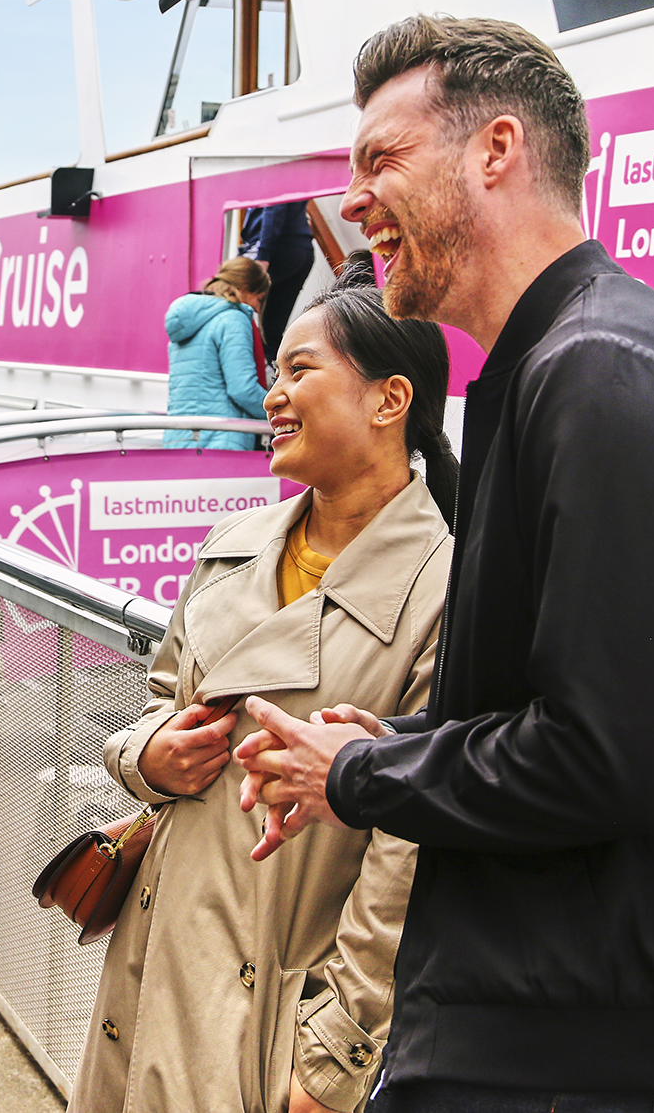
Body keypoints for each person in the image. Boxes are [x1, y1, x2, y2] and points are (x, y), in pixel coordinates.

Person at [236, 15, 654, 1108]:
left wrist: (357, 775)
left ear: (495, 150)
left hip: (575, 1060)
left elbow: (605, 760)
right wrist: (397, 741)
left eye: (379, 160)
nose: (353, 203)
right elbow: (599, 712)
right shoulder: (566, 365)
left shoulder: (596, 375)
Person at [70, 264, 457, 1113]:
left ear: (389, 401)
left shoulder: (449, 588)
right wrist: (151, 759)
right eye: (273, 371)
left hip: (275, 1005)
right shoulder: (233, 541)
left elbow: (410, 852)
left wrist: (335, 1051)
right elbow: (151, 706)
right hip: (147, 964)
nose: (272, 395)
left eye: (299, 369)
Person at [163, 255, 271, 449]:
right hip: (221, 441)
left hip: (179, 438)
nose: (257, 307)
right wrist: (276, 411)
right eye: (260, 298)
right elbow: (242, 389)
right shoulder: (233, 319)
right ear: (246, 289)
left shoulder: (189, 321)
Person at [240, 199, 318, 356]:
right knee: (272, 330)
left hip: (277, 248)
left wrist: (263, 255)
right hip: (301, 250)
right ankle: (274, 367)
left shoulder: (268, 177)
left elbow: (274, 207)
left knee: (231, 307)